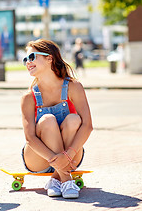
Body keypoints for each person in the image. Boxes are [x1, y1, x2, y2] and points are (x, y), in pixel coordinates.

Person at [20, 39, 93, 199]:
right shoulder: (28, 97)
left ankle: (55, 179)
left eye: (32, 57)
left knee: (74, 120)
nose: (28, 62)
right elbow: (30, 138)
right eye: (25, 59)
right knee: (47, 120)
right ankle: (66, 180)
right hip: (39, 158)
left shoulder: (74, 87)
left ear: (49, 58)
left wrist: (67, 155)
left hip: (71, 155)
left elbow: (87, 126)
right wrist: (57, 160)